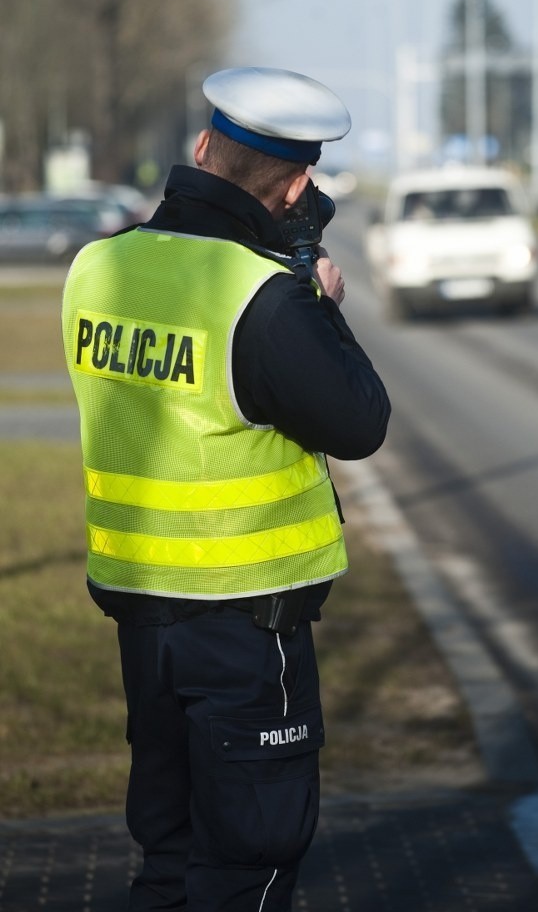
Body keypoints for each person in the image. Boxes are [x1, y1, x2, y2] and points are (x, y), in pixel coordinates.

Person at [62, 66, 390, 912]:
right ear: (298, 186)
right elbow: (359, 423)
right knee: (248, 866)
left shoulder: (94, 270)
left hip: (143, 621)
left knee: (168, 860)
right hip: (247, 631)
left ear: (201, 149)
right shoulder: (265, 302)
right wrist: (321, 303)